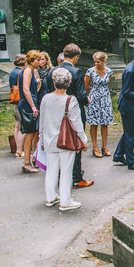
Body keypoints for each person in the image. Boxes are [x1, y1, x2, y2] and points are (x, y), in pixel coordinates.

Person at [39, 68, 89, 211]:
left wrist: (41, 138)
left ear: (54, 82)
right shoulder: (70, 100)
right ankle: (65, 201)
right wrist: (84, 140)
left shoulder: (45, 98)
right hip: (66, 141)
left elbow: (42, 121)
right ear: (69, 83)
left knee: (51, 170)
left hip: (49, 140)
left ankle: (50, 197)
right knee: (66, 172)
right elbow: (77, 123)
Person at [45, 44, 93, 188]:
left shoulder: (51, 71)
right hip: (73, 111)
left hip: (54, 113)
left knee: (58, 142)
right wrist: (87, 100)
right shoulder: (76, 72)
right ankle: (76, 177)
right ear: (76, 56)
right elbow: (80, 94)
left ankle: (60, 175)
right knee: (75, 143)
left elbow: (48, 92)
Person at [85, 51, 114, 158]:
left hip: (105, 98)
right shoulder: (90, 71)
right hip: (94, 98)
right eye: (95, 62)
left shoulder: (109, 71)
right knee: (94, 123)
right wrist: (94, 93)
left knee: (105, 123)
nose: (96, 64)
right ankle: (95, 147)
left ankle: (105, 147)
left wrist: (103, 93)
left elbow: (107, 82)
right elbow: (86, 85)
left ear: (104, 61)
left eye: (99, 62)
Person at [18, 50, 41, 173]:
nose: (39, 62)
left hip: (29, 103)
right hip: (28, 105)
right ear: (32, 60)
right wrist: (33, 106)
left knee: (32, 133)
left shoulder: (30, 71)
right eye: (38, 60)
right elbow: (26, 90)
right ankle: (26, 162)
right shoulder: (27, 71)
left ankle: (29, 160)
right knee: (30, 134)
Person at [8, 54, 26, 159]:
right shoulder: (21, 72)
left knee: (17, 125)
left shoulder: (12, 72)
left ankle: (17, 148)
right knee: (22, 126)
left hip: (15, 100)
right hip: (21, 100)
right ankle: (20, 149)